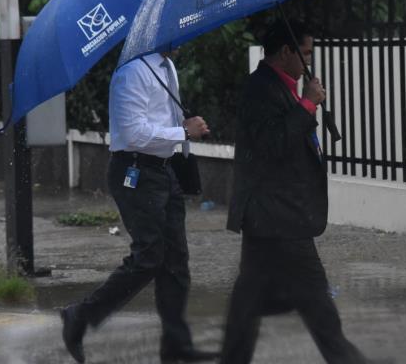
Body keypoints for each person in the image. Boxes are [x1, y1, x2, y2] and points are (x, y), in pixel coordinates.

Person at [220, 21, 369, 364]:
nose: (308, 62)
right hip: (277, 213)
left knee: (249, 299)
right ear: (285, 52)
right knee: (317, 301)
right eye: (305, 54)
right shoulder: (260, 89)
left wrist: (304, 103)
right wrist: (307, 106)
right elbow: (271, 145)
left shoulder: (282, 85)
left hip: (271, 214)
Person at [60, 52, 219, 364]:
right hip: (134, 172)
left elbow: (163, 120)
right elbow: (134, 133)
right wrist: (183, 132)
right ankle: (79, 315)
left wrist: (182, 133)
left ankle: (176, 345)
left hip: (163, 170)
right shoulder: (130, 73)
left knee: (176, 261)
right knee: (149, 256)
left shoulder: (168, 65)